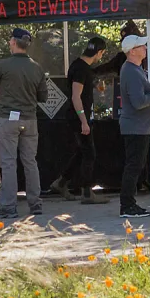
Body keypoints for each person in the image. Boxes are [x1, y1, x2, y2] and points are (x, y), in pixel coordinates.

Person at [0, 28, 49, 219]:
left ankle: (9, 206)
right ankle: (35, 203)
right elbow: (43, 97)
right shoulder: (37, 67)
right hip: (30, 119)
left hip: (9, 119)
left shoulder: (3, 65)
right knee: (30, 162)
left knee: (8, 162)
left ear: (13, 42)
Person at [56, 35, 110, 205]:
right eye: (102, 53)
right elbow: (75, 96)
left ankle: (62, 182)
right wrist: (84, 121)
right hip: (79, 117)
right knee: (89, 154)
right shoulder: (81, 69)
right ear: (99, 52)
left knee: (82, 152)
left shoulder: (81, 67)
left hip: (81, 116)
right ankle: (87, 192)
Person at [118, 33, 150, 218]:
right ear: (132, 51)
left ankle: (128, 203)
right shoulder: (131, 71)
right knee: (133, 166)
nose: (145, 48)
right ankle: (127, 205)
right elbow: (138, 102)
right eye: (142, 46)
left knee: (135, 165)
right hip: (135, 127)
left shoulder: (133, 69)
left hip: (138, 126)